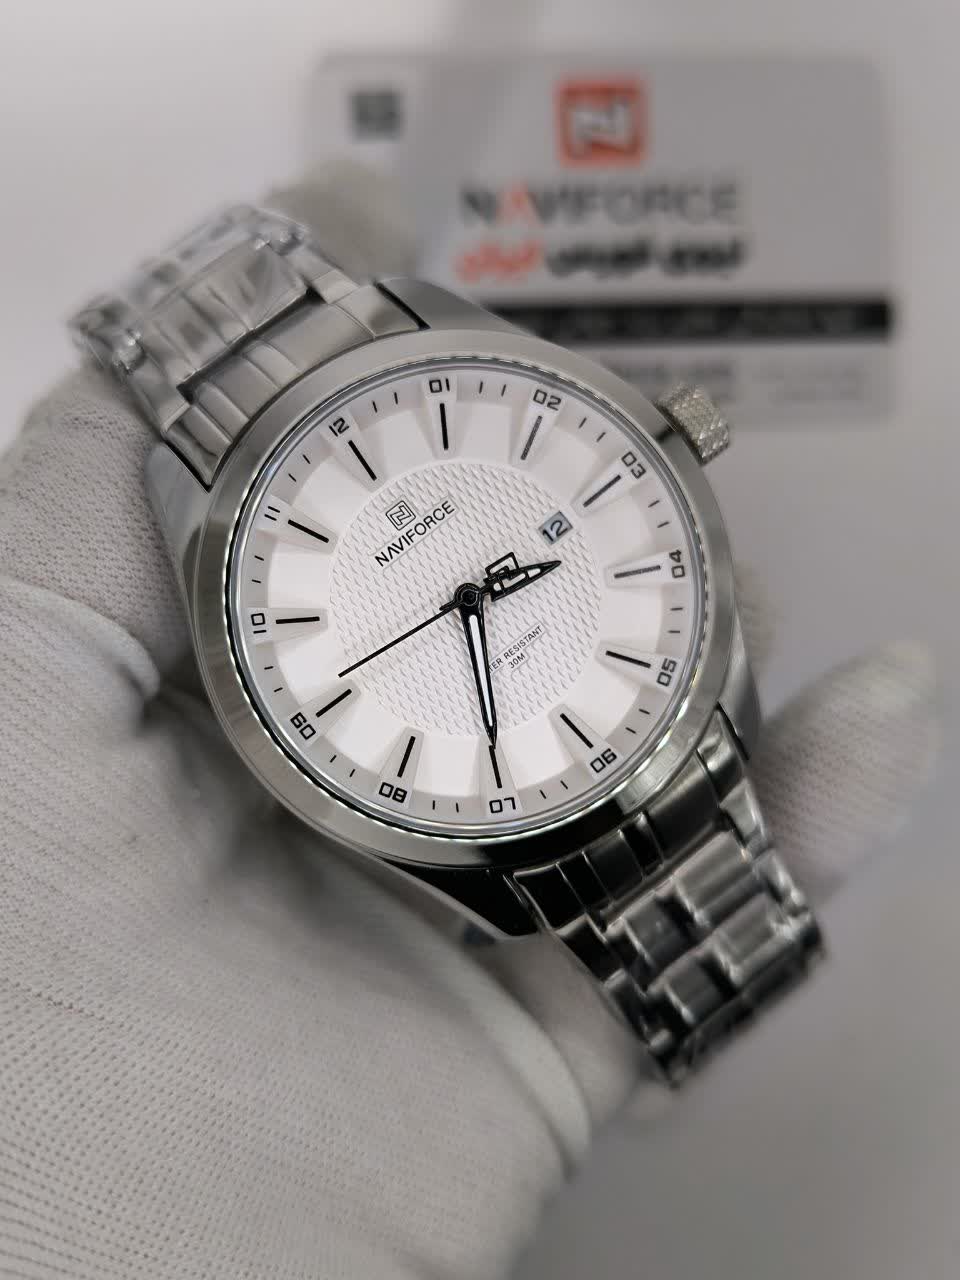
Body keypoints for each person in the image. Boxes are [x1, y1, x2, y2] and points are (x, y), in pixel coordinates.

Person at [0, 173, 938, 1280]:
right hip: (523, 804)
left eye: (469, 597)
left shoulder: (435, 348)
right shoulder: (220, 529)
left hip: (662, 705)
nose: (465, 601)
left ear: (677, 436)